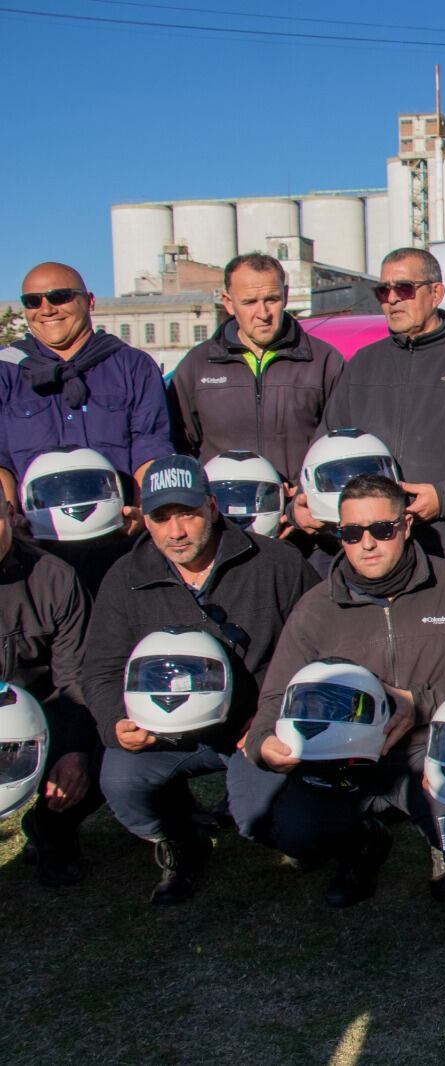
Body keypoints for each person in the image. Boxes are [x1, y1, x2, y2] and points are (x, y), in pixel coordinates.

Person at [239, 473, 445, 907]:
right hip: (340, 757)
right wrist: (265, 744)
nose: (368, 543)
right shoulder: (315, 609)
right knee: (291, 831)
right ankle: (361, 843)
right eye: (351, 532)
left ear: (405, 526)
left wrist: (419, 703)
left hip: (429, 745)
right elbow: (274, 698)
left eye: (381, 529)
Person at [80, 455, 318, 904]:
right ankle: (179, 838)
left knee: (269, 822)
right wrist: (117, 721)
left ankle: (298, 822)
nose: (176, 531)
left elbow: (318, 648)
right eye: (161, 518)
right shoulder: (124, 578)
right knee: (120, 779)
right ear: (143, 520)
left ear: (211, 506)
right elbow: (100, 668)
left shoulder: (276, 563)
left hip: (256, 725)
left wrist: (272, 715)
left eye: (186, 513)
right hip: (167, 732)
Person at [307, 247, 445, 577]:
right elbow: (326, 447)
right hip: (372, 550)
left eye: (403, 288)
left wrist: (443, 497)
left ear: (436, 293)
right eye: (382, 291)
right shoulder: (361, 365)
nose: (392, 299)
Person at [1, 261, 173, 593]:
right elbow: (2, 460)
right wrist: (9, 523)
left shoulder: (132, 365)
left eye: (60, 296)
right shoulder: (5, 371)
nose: (46, 309)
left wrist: (142, 510)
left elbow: (150, 444)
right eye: (32, 301)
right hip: (34, 549)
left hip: (117, 544)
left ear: (89, 301)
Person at [168, 252, 344, 507]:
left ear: (285, 294)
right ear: (228, 302)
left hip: (305, 517)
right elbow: (180, 448)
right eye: (249, 302)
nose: (262, 313)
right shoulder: (197, 365)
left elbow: (337, 443)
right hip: (227, 519)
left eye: (271, 299)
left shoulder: (324, 361)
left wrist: (306, 494)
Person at [0, 495, 97, 886]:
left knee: (104, 756)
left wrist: (74, 753)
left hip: (43, 719)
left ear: (10, 514)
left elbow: (76, 679)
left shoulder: (54, 578)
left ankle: (53, 828)